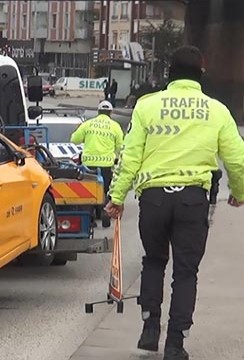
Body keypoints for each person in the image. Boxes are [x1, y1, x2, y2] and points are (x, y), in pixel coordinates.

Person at [105, 45, 244, 360]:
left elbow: (130, 156)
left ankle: (149, 329)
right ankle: (175, 343)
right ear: (202, 71)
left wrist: (116, 197)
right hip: (192, 201)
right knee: (186, 271)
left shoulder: (147, 106)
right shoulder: (217, 110)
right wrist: (239, 192)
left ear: (170, 73)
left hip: (153, 199)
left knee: (153, 262)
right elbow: (237, 159)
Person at [70, 100, 124, 228]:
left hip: (88, 164)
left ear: (98, 111)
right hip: (106, 165)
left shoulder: (88, 124)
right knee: (106, 190)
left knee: (89, 191)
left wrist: (79, 131)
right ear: (110, 112)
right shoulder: (115, 126)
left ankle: (90, 220)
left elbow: (74, 140)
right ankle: (105, 215)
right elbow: (121, 147)